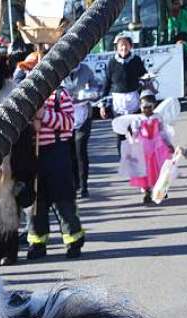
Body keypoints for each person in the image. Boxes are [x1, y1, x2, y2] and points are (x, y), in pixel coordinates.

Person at [27, 85, 85, 260]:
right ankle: (37, 242)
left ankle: (73, 241)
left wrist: (44, 115)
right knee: (36, 203)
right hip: (34, 154)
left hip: (57, 153)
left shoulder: (60, 94)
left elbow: (68, 123)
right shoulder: (28, 93)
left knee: (63, 200)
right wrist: (31, 124)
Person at [99, 35, 147, 151]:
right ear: (116, 47)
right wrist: (102, 106)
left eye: (126, 44)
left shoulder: (136, 60)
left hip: (133, 100)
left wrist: (147, 79)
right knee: (120, 134)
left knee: (135, 132)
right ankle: (123, 161)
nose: (124, 47)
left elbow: (144, 77)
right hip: (118, 103)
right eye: (121, 45)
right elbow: (106, 84)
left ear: (131, 46)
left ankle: (137, 159)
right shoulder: (111, 63)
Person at [125, 90, 174, 203]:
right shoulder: (137, 120)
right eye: (144, 107)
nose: (147, 110)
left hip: (158, 148)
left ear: (154, 106)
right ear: (140, 107)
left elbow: (163, 132)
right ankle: (147, 191)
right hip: (144, 149)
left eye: (149, 107)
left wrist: (169, 144)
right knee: (145, 171)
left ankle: (160, 190)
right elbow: (135, 134)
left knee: (159, 169)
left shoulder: (158, 117)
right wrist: (133, 146)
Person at [62, 61, 100, 198]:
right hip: (64, 118)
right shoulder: (59, 69)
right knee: (69, 153)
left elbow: (96, 87)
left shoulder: (85, 69)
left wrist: (90, 93)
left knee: (80, 151)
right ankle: (74, 184)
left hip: (83, 115)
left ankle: (84, 186)